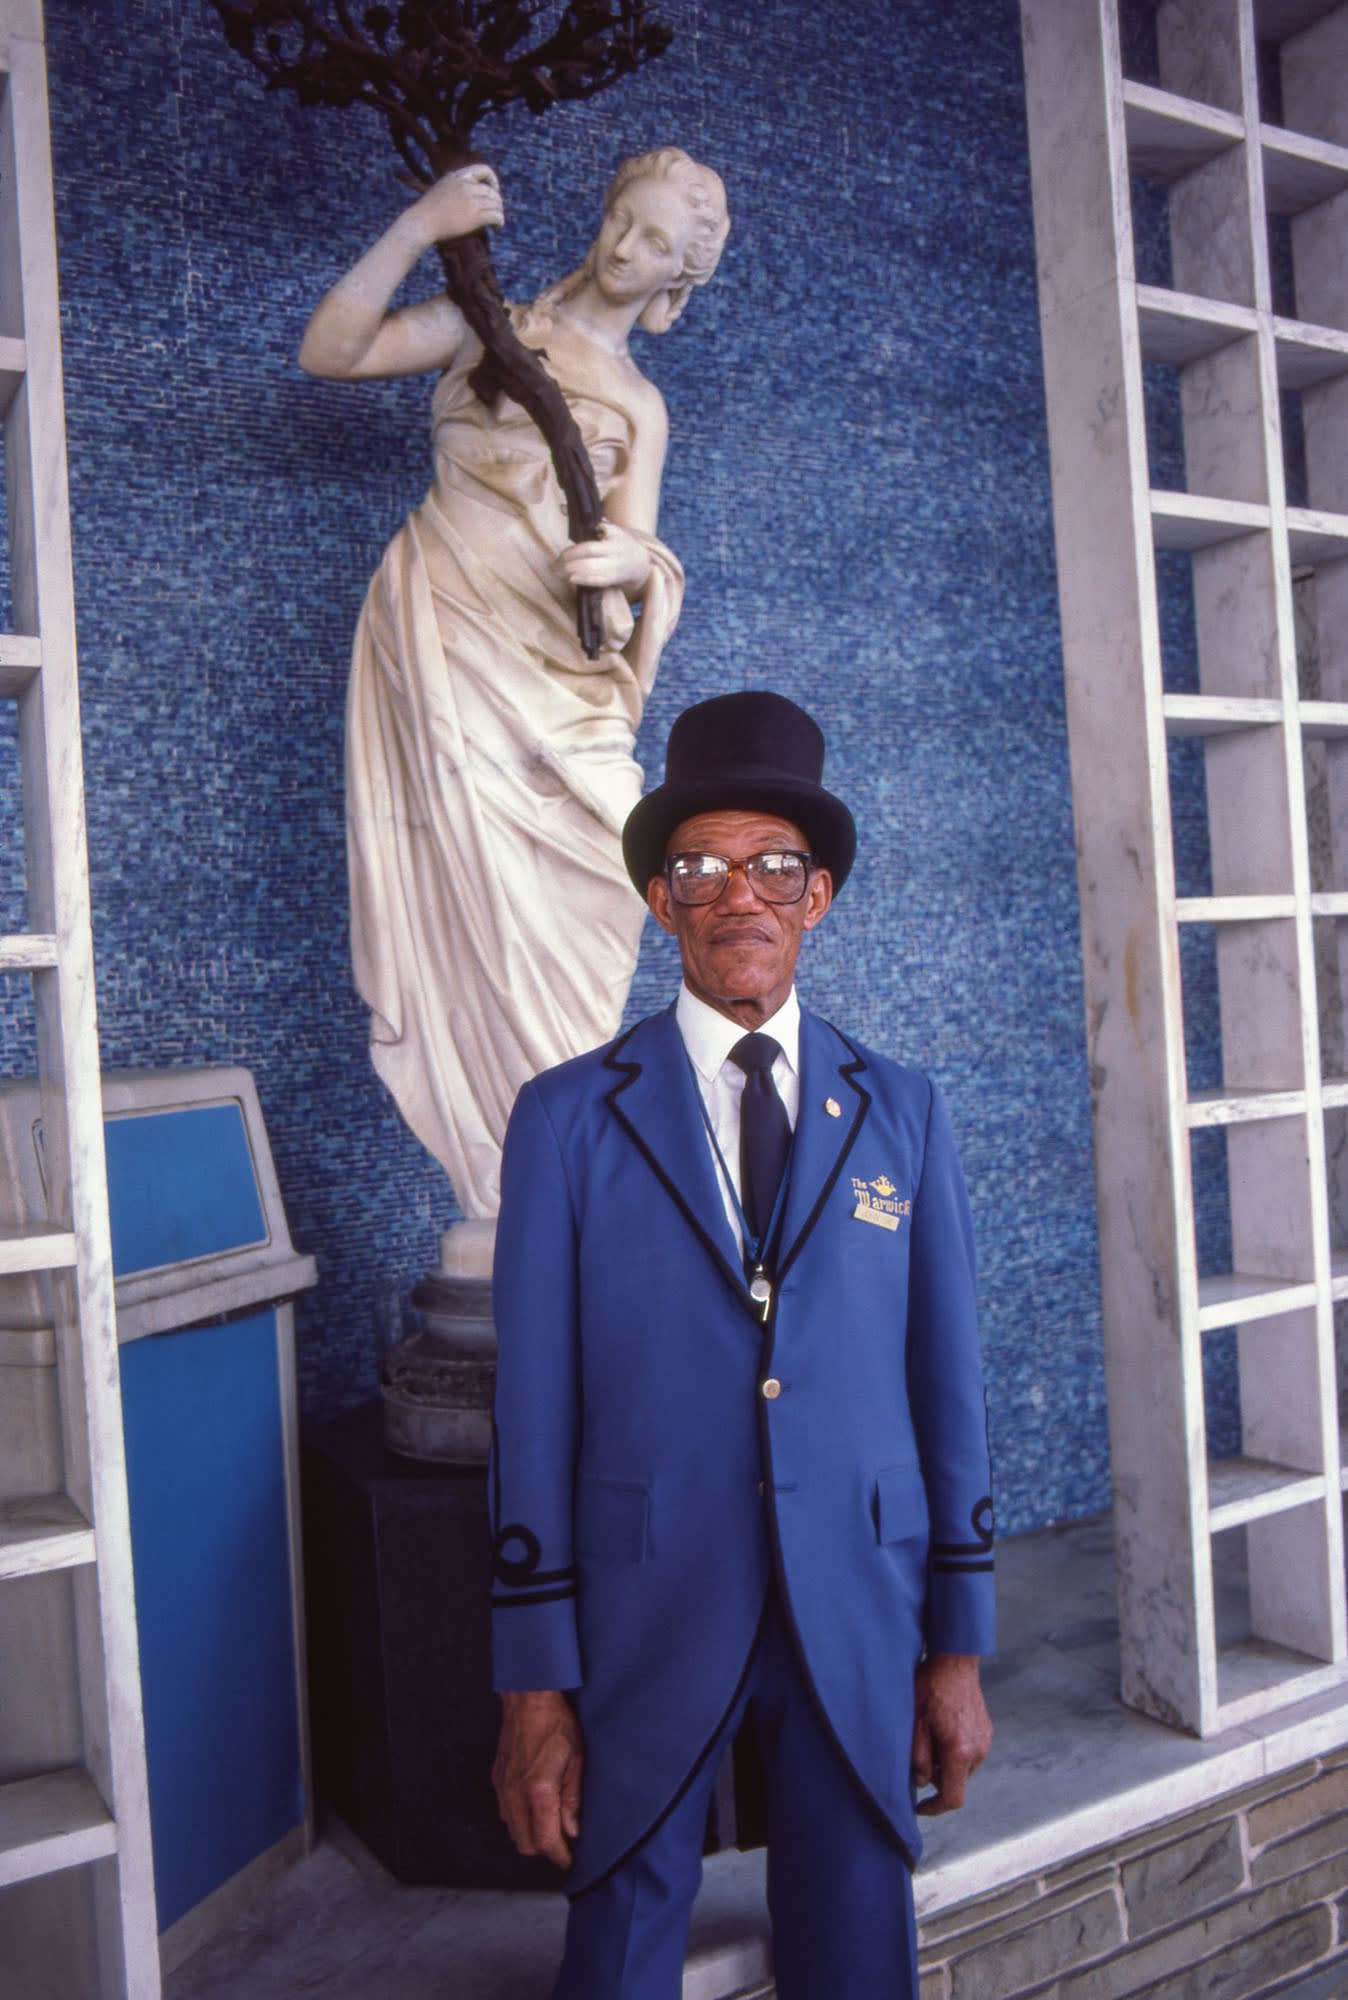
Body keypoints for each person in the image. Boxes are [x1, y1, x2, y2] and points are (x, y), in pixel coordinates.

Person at [489, 690, 995, 2000]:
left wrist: (957, 1646)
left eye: (772, 864)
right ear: (662, 902)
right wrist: (534, 1685)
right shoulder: (565, 1120)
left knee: (856, 1944)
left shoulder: (905, 1113)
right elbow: (530, 1411)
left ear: (816, 895)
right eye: (698, 868)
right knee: (619, 1942)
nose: (737, 896)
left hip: (857, 1602)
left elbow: (947, 1388)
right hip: (644, 1602)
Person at [299, 149, 729, 1218]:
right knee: (461, 888)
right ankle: (501, 1184)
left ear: (676, 281)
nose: (626, 250)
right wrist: (421, 226)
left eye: (656, 246)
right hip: (449, 639)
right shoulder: (483, 323)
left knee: (605, 874)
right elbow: (330, 350)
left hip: (561, 681)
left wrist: (634, 567)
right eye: (624, 220)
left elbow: (636, 554)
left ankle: (550, 1162)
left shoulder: (640, 404)